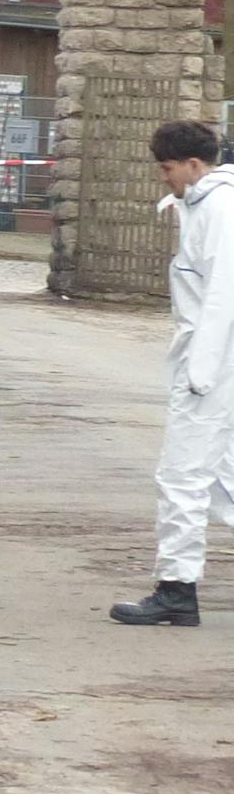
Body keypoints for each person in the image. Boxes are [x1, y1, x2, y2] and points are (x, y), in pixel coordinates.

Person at [112, 120, 234, 626]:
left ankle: (177, 588)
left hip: (212, 362)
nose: (164, 178)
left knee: (182, 475)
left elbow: (223, 296)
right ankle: (177, 585)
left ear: (192, 165)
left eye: (166, 168)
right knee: (221, 477)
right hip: (211, 360)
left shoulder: (220, 210)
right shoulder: (203, 205)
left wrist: (200, 372)